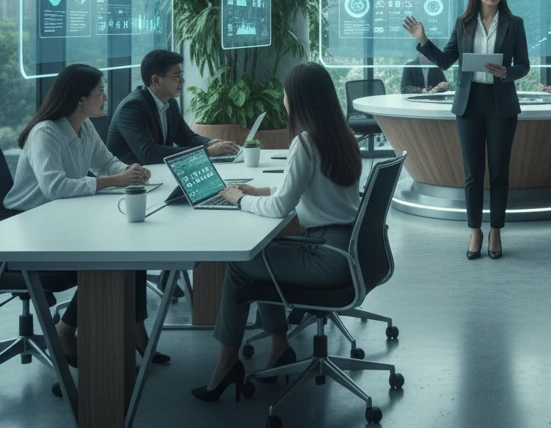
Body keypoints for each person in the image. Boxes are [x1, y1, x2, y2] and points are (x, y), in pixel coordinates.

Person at [193, 61, 363, 401]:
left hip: (326, 257)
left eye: (286, 94)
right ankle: (279, 346)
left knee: (243, 265)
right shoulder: (341, 135)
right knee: (262, 259)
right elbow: (309, 191)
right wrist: (258, 192)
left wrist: (240, 200)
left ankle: (228, 363)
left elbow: (280, 209)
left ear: (298, 100)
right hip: (348, 252)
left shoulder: (306, 142)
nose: (283, 100)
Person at [3, 64, 167, 366]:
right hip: (28, 229)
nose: (105, 97)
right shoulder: (45, 133)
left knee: (132, 252)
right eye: (100, 92)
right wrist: (113, 181)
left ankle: (134, 330)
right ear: (80, 99)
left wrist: (129, 171)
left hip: (61, 221)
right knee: (111, 260)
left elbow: (106, 163)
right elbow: (54, 187)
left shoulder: (84, 126)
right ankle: (67, 331)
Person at [402, 0, 530, 260]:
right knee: (473, 174)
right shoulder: (463, 24)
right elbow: (446, 61)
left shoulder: (514, 23)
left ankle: (496, 230)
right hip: (469, 104)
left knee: (499, 173)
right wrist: (423, 39)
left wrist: (506, 71)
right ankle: (475, 231)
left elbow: (524, 65)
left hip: (501, 104)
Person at [105, 50, 240, 165]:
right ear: (156, 81)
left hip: (156, 174)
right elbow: (149, 154)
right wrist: (206, 151)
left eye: (181, 75)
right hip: (130, 182)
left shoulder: (170, 103)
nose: (182, 81)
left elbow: (186, 137)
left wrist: (212, 143)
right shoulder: (132, 108)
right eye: (176, 76)